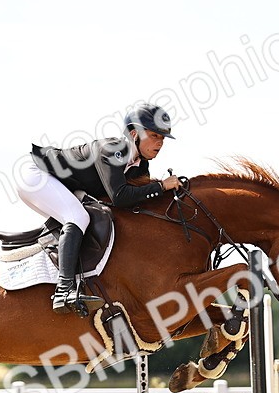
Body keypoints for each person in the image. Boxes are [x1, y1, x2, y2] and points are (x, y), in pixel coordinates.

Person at [16, 103, 183, 313]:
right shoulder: (113, 149)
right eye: (154, 135)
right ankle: (63, 291)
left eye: (163, 138)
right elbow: (120, 197)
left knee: (89, 219)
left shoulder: (141, 166)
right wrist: (161, 186)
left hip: (62, 185)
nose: (160, 143)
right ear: (134, 134)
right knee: (77, 217)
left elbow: (136, 203)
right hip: (37, 175)